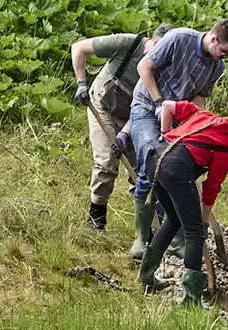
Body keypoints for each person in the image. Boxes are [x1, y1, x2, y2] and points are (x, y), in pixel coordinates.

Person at [125, 18, 228, 259]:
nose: (224, 58)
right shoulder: (179, 39)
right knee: (152, 159)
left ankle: (174, 238)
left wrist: (188, 126)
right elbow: (144, 67)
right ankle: (141, 238)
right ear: (213, 38)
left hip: (177, 120)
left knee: (176, 171)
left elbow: (197, 100)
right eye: (224, 52)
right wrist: (159, 102)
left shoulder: (216, 68)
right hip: (147, 107)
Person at [138, 100, 228, 305]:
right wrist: (202, 224)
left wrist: (166, 134)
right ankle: (191, 298)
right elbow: (211, 188)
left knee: (175, 219)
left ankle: (146, 277)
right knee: (194, 232)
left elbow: (167, 106)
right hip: (175, 169)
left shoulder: (204, 115)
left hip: (155, 159)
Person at [70, 24, 172, 232]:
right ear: (153, 42)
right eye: (159, 49)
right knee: (107, 161)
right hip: (102, 107)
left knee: (145, 170)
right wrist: (81, 83)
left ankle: (147, 228)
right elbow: (78, 48)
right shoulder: (127, 44)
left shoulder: (163, 71)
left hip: (135, 117)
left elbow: (144, 106)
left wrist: (124, 134)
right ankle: (96, 218)